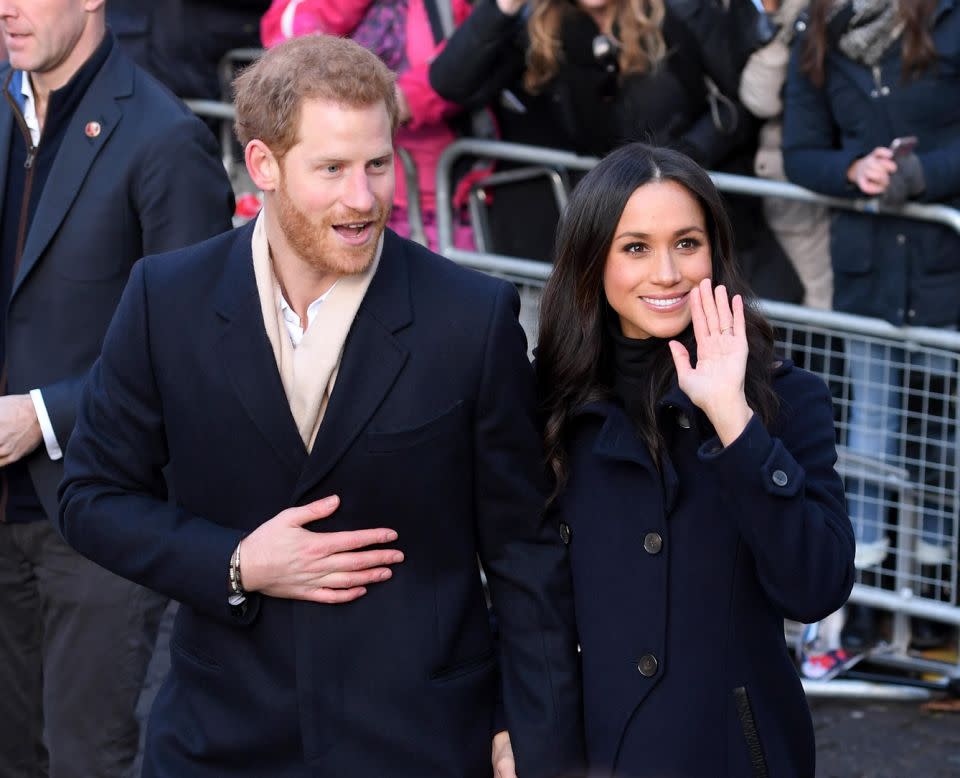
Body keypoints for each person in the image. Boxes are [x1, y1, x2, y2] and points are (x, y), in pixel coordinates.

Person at [58, 34, 583, 778]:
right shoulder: (163, 300)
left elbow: (526, 549)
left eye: (377, 164)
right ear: (264, 165)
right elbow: (91, 497)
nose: (363, 198)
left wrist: (530, 730)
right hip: (223, 740)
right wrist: (236, 562)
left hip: (420, 741)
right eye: (331, 168)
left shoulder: (471, 318)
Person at [535, 143, 855, 776]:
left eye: (686, 243)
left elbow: (815, 587)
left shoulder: (786, 398)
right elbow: (515, 600)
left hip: (734, 752)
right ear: (592, 258)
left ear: (716, 252)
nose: (666, 273)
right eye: (635, 247)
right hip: (591, 752)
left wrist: (733, 420)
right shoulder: (541, 403)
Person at [0, 1, 235, 775]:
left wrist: (42, 415)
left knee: (85, 760)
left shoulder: (165, 140)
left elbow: (193, 347)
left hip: (97, 521)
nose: (6, 8)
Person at [783, 0, 960, 650]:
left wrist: (921, 175)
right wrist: (851, 171)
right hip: (866, 266)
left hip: (944, 263)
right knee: (870, 431)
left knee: (944, 436)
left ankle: (941, 592)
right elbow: (801, 151)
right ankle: (863, 596)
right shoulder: (817, 28)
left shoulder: (948, 17)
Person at [261, 0, 476, 251]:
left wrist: (398, 100)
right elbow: (289, 48)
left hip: (434, 193)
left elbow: (466, 66)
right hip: (330, 187)